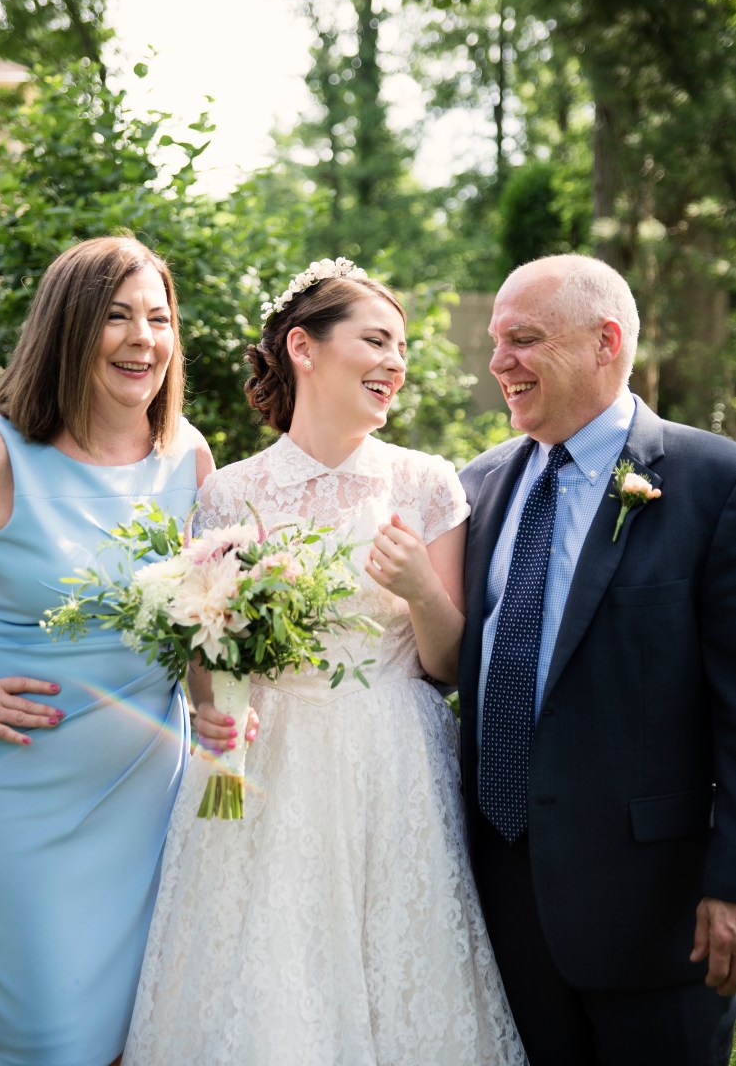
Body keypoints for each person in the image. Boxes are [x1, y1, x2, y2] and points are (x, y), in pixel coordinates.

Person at [122, 258, 525, 1065]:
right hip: (262, 769)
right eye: (375, 341)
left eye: (400, 348)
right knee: (268, 979)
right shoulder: (230, 493)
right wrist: (211, 705)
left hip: (393, 766)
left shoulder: (425, 483)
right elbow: (207, 648)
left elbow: (447, 665)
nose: (394, 363)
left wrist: (420, 590)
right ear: (303, 348)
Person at [0, 235, 216, 1066]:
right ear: (69, 327)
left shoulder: (188, 455)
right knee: (51, 1048)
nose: (144, 339)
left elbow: (206, 621)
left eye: (159, 318)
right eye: (117, 317)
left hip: (153, 801)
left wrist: (222, 715)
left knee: (152, 1038)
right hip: (18, 806)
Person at [458, 252, 736, 1066]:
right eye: (495, 341)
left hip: (659, 915)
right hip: (502, 902)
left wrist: (730, 884)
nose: (498, 362)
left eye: (523, 339)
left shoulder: (713, 481)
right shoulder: (476, 486)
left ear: (604, 342)